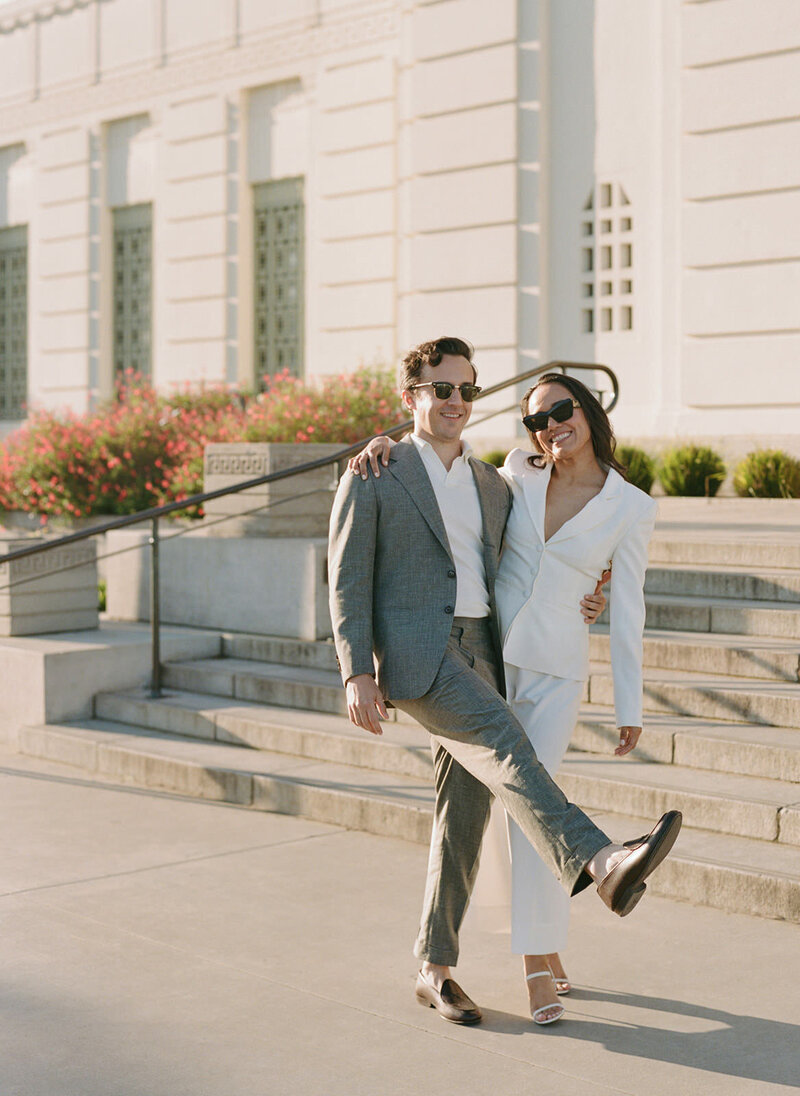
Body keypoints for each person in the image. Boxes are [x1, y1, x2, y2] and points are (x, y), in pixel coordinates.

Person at [329, 336, 681, 1028]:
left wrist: (594, 588)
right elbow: (345, 577)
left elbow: (544, 552)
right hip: (419, 657)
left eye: (467, 390)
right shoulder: (376, 471)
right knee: (506, 740)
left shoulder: (496, 481)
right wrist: (356, 671)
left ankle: (434, 967)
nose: (457, 401)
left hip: (484, 649)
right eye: (441, 389)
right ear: (411, 398)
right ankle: (605, 863)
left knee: (460, 814)